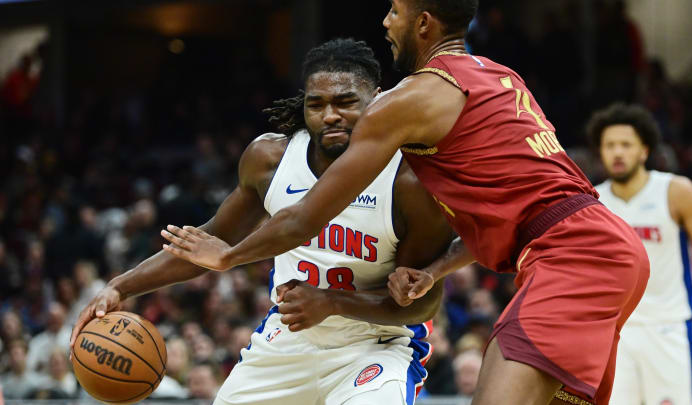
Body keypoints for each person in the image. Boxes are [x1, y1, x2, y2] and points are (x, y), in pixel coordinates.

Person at [158, 1, 650, 404]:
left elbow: (307, 215)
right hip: (603, 246)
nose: (385, 22)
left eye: (394, 10)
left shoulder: (411, 98)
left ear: (423, 22)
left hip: (570, 255)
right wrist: (435, 269)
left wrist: (227, 256)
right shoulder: (499, 76)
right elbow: (516, 217)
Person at [70, 38, 453, 404]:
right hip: (287, 341)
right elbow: (206, 245)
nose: (330, 115)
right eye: (316, 104)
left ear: (378, 100)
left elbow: (420, 304)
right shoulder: (270, 160)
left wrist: (333, 302)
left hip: (375, 345)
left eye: (346, 102)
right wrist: (119, 288)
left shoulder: (410, 182)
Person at [588, 103, 692, 405]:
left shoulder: (676, 191)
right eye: (609, 146)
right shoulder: (592, 201)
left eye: (625, 145)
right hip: (614, 334)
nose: (617, 152)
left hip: (669, 327)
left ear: (644, 151)